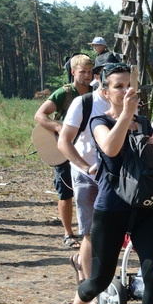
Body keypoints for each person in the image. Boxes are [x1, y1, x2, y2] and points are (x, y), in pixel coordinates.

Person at [60, 62, 153, 304]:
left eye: (129, 85)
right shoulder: (99, 120)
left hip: (144, 207)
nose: (126, 91)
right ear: (106, 91)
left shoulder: (145, 121)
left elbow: (149, 161)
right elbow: (110, 149)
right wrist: (125, 114)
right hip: (111, 209)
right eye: (119, 86)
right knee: (99, 279)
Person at [57, 53, 117, 286]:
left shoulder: (126, 103)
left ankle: (88, 267)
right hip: (85, 174)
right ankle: (89, 284)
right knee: (90, 231)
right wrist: (85, 167)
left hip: (112, 176)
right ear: (99, 77)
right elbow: (64, 142)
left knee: (110, 231)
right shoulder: (83, 103)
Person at [35, 54, 93, 250]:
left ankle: (94, 233)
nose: (86, 75)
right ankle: (68, 233)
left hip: (87, 150)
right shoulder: (64, 93)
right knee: (65, 191)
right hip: (65, 149)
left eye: (89, 71)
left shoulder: (96, 92)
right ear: (73, 72)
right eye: (82, 71)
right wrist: (59, 128)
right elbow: (40, 115)